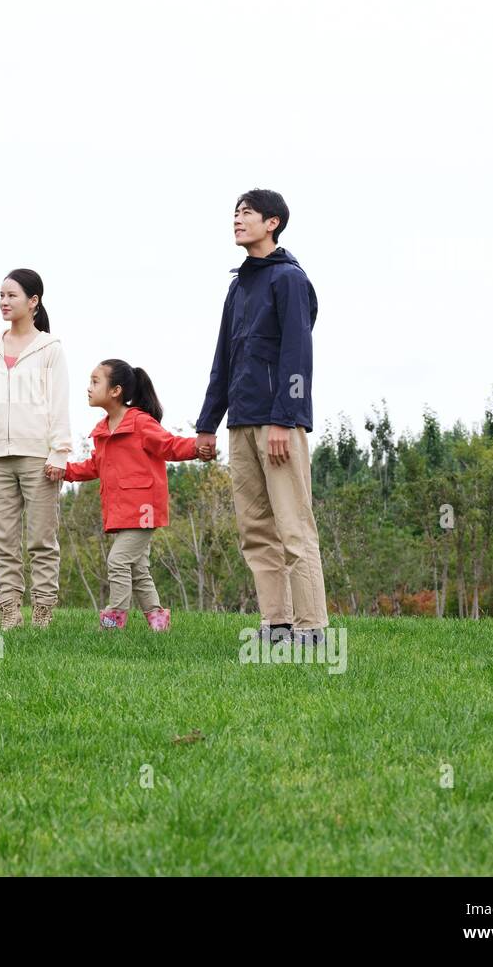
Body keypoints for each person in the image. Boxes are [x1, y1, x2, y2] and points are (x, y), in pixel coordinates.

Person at [194, 188, 329, 645]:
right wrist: (207, 424)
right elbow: (224, 359)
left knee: (293, 525)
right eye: (234, 213)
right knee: (255, 529)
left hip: (278, 423)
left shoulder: (289, 279)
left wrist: (285, 418)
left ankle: (312, 628)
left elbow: (297, 354)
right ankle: (276, 624)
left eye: (246, 213)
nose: (237, 219)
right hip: (241, 424)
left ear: (272, 222)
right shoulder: (238, 285)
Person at [0, 270, 71, 630]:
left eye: (11, 296)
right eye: (0, 295)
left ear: (33, 302)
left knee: (40, 539)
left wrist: (60, 452)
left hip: (39, 457)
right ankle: (8, 610)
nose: (4, 302)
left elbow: (59, 403)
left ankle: (43, 610)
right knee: (2, 539)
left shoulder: (50, 348)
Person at [63, 360, 204, 631]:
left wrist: (197, 448)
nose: (88, 388)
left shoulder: (140, 422)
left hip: (144, 510)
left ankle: (114, 619)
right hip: (120, 511)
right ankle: (159, 622)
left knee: (117, 561)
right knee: (138, 570)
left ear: (115, 390)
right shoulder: (104, 430)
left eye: (95, 382)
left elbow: (169, 445)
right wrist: (65, 471)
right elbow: (95, 466)